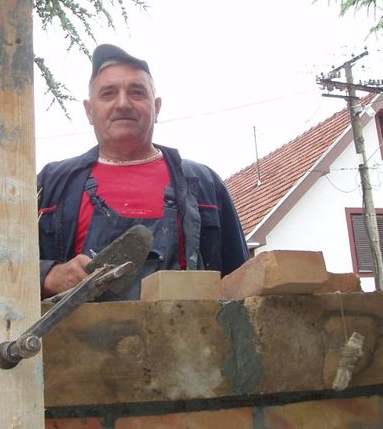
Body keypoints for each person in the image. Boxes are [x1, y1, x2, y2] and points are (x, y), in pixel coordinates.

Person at [37, 44, 249, 300]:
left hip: (189, 326)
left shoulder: (204, 183)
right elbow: (3, 268)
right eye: (108, 94)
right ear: (89, 110)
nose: (123, 103)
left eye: (137, 92)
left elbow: (243, 282)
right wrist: (47, 275)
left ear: (156, 107)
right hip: (79, 328)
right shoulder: (52, 185)